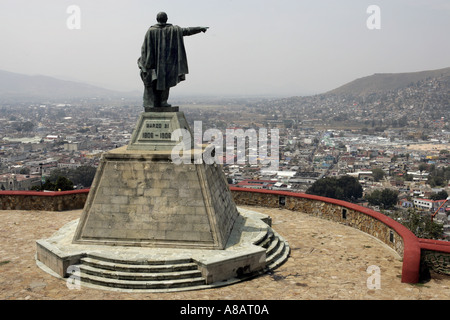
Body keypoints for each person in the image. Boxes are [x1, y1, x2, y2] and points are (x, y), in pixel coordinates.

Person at [138, 12, 208, 109]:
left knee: (156, 83)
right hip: (168, 63)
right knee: (165, 83)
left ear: (157, 19)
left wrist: (144, 62)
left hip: (154, 64)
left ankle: (157, 103)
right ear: (166, 19)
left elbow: (144, 49)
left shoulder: (151, 31)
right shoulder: (173, 30)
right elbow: (186, 31)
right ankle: (162, 102)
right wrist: (199, 28)